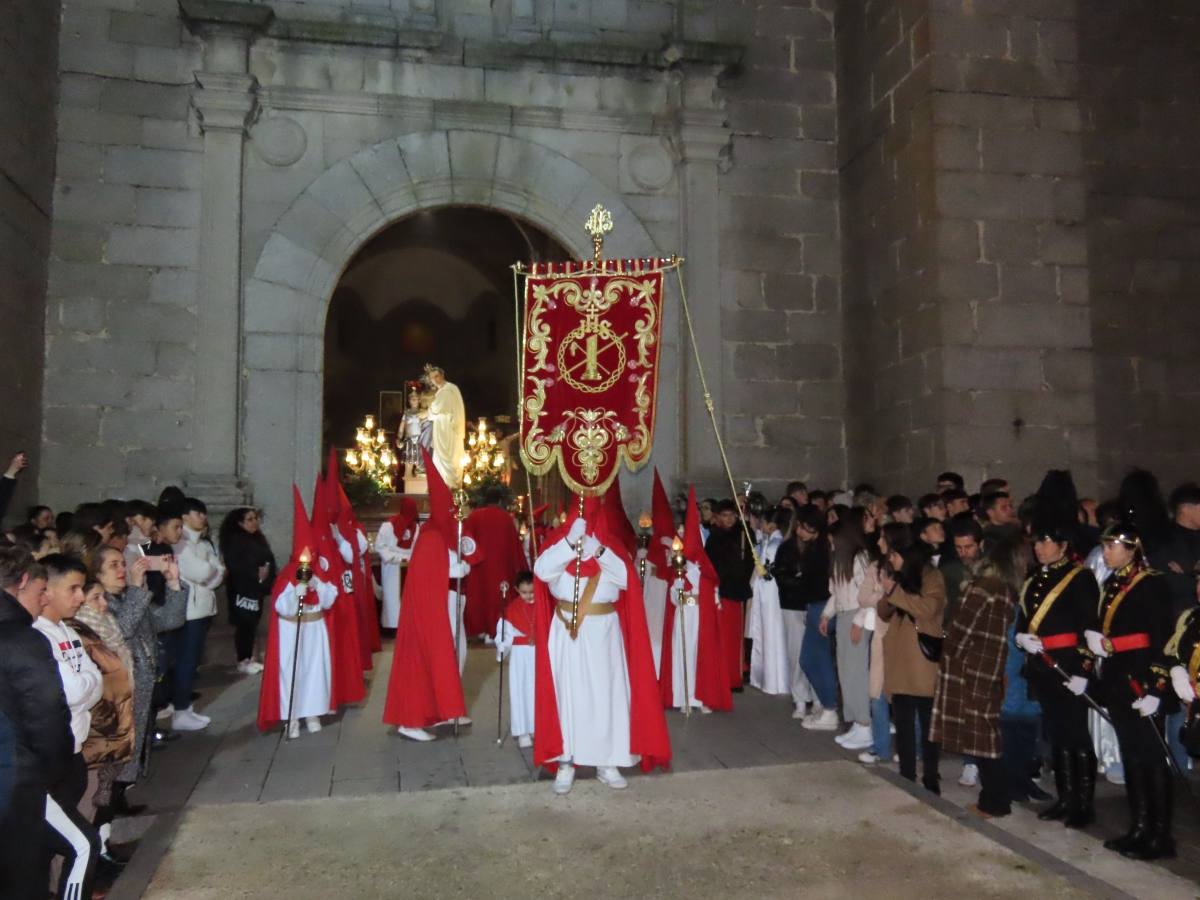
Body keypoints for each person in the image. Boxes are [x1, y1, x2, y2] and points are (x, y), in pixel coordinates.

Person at [532, 497, 670, 794]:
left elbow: (625, 579)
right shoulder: (560, 543)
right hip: (567, 631)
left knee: (606, 695)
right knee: (568, 694)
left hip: (604, 632)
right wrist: (570, 543)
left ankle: (607, 761)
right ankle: (566, 761)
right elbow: (542, 571)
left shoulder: (611, 548)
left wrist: (598, 550)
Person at [1085, 522, 1178, 860]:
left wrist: (1156, 686)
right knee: (1133, 755)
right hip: (1119, 681)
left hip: (1142, 682)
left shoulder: (1151, 585)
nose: (1105, 553)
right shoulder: (1114, 583)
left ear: (1131, 549)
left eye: (1111, 547)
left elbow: (1159, 638)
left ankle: (1161, 835)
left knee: (1152, 757)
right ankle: (1139, 827)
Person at [382, 449, 475, 741]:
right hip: (427, 614)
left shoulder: (434, 534)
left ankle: (438, 711)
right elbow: (446, 571)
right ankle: (410, 720)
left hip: (433, 610)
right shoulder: (433, 537)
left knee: (441, 661)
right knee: (422, 665)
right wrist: (458, 566)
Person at [1013, 518, 1100, 827]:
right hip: (1042, 666)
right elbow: (1026, 619)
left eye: (1046, 541)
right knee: (1057, 735)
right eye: (1036, 542)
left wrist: (1084, 671)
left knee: (1076, 735)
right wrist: (1021, 638)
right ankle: (1065, 799)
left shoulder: (1080, 578)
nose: (1038, 547)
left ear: (1064, 546)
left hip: (1068, 666)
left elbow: (1089, 625)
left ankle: (1083, 805)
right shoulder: (1035, 579)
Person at [932, 537, 1026, 818]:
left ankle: (995, 800)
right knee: (986, 735)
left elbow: (960, 629)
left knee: (983, 739)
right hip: (991, 666)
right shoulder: (1006, 590)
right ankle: (995, 797)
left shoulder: (983, 589)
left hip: (971, 669)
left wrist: (945, 645)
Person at [0, 546, 74, 899]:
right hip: (17, 780)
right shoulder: (21, 639)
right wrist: (52, 771)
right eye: (39, 591)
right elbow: (45, 714)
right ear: (23, 580)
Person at [93, 544, 185, 809]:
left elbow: (169, 620)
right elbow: (122, 630)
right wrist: (136, 589)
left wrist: (174, 583)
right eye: (114, 566)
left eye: (123, 563)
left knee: (135, 745)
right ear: (97, 574)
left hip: (144, 685)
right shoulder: (101, 604)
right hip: (122, 687)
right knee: (121, 750)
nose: (122, 570)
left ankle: (120, 799)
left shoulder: (129, 597)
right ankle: (110, 806)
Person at [34, 554, 103, 900]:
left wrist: (84, 685)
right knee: (82, 843)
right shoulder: (38, 635)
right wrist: (84, 684)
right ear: (46, 589)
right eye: (73, 588)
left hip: (73, 753)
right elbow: (73, 690)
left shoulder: (66, 630)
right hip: (49, 764)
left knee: (56, 847)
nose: (80, 596)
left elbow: (93, 684)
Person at [258, 487, 336, 739]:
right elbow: (281, 605)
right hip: (293, 627)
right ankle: (291, 716)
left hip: (315, 625)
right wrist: (296, 592)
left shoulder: (319, 571)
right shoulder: (286, 575)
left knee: (315, 671)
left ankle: (312, 712)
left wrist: (316, 586)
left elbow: (331, 596)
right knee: (293, 670)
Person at [71, 576, 135, 877]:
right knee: (93, 798)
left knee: (104, 796)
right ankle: (94, 862)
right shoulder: (80, 632)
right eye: (95, 597)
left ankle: (104, 846)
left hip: (113, 725)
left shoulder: (101, 625)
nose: (104, 604)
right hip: (97, 730)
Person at [878, 528, 946, 794]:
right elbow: (883, 612)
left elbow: (929, 609)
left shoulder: (932, 576)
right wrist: (889, 593)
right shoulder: (899, 577)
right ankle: (906, 774)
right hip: (899, 657)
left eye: (894, 555)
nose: (891, 559)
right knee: (903, 721)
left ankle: (931, 775)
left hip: (922, 659)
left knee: (929, 723)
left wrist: (896, 591)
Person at [659, 487, 732, 715]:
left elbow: (712, 591)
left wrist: (698, 578)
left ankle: (703, 697)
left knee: (701, 655)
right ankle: (683, 696)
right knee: (683, 653)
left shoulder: (704, 570)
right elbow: (673, 598)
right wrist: (678, 588)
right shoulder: (678, 570)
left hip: (701, 616)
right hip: (684, 613)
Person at [171, 498, 225, 732]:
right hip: (190, 611)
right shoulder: (180, 545)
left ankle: (185, 708)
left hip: (204, 607)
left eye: (204, 513)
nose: (203, 517)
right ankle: (180, 709)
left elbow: (219, 572)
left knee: (192, 662)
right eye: (198, 513)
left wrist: (211, 569)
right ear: (184, 516)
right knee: (185, 660)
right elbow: (202, 572)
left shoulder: (202, 544)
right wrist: (210, 569)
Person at [822, 517, 871, 750]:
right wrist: (826, 615)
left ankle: (865, 723)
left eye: (834, 542)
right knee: (845, 673)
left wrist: (858, 622)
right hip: (843, 616)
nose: (832, 547)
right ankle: (855, 722)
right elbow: (837, 593)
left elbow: (868, 595)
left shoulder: (859, 559)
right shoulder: (840, 561)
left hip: (855, 617)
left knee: (856, 673)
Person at [705, 499, 756, 691]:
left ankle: (734, 676)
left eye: (731, 515)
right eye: (724, 515)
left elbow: (749, 560)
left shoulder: (743, 534)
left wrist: (745, 527)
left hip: (735, 590)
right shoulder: (714, 537)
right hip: (720, 590)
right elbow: (710, 563)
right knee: (721, 636)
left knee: (734, 636)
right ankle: (720, 675)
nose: (728, 519)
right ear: (718, 517)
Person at [219, 507, 277, 675]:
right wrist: (255, 575)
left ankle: (249, 657)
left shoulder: (258, 539)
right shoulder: (235, 542)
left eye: (255, 518)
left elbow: (267, 559)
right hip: (242, 590)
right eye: (249, 519)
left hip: (256, 589)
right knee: (244, 625)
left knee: (251, 625)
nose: (254, 522)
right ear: (240, 523)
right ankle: (243, 659)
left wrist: (265, 576)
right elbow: (237, 567)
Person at [794, 506, 837, 731]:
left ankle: (829, 708)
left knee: (816, 659)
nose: (798, 531)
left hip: (821, 607)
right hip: (815, 605)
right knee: (810, 659)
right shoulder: (814, 547)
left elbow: (823, 583)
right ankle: (827, 706)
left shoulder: (822, 549)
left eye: (803, 527)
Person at [464, 485, 526, 639]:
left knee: (479, 596)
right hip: (501, 567)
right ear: (499, 500)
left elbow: (465, 542)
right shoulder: (506, 518)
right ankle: (496, 631)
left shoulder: (473, 517)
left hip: (478, 566)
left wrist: (467, 562)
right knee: (498, 597)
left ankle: (480, 629)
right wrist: (522, 567)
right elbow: (515, 546)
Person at [748, 507, 792, 696]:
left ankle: (776, 680)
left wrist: (761, 570)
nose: (761, 525)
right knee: (769, 632)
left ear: (770, 524)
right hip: (767, 593)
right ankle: (768, 676)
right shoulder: (771, 542)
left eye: (763, 522)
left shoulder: (774, 545)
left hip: (771, 594)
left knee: (772, 632)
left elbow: (767, 571)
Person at [493, 571, 537, 748]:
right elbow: (503, 634)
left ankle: (536, 727)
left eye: (532, 592)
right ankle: (522, 731)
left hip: (539, 654)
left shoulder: (544, 607)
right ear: (517, 590)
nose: (528, 596)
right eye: (524, 592)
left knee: (537, 692)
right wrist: (502, 645)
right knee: (520, 691)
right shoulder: (511, 610)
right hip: (520, 655)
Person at [375, 497, 420, 630]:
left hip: (408, 565)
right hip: (392, 566)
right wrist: (394, 558)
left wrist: (410, 559)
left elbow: (416, 548)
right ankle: (392, 625)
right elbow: (380, 546)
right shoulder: (388, 526)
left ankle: (407, 624)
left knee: (407, 597)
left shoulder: (416, 527)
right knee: (392, 596)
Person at [424, 364, 466, 487]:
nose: (435, 380)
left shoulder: (448, 390)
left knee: (449, 458)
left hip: (448, 430)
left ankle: (450, 486)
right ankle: (441, 486)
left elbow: (434, 411)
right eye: (432, 378)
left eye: (437, 376)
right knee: (439, 458)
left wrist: (429, 407)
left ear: (442, 375)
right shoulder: (442, 391)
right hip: (441, 430)